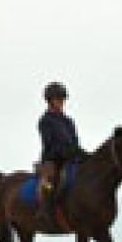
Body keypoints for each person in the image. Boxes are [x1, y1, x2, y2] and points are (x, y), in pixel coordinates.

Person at [38, 82, 83, 222]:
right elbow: (50, 143)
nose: (61, 102)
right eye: (58, 99)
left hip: (71, 158)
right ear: (50, 101)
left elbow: (75, 142)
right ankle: (45, 211)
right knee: (49, 183)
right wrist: (66, 153)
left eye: (62, 99)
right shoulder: (45, 121)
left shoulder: (68, 121)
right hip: (53, 160)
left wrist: (83, 154)